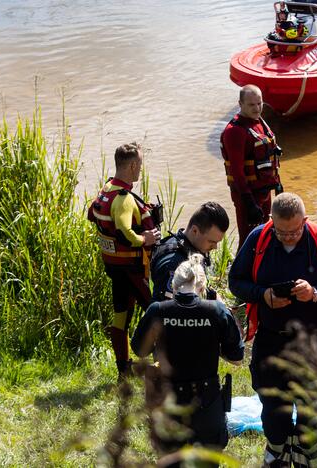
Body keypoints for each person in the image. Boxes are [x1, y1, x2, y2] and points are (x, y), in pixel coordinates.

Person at [228, 192, 317, 467]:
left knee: (310, 409)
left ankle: (306, 457)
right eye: (281, 232)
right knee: (273, 406)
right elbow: (235, 281)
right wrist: (263, 295)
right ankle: (277, 453)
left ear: (305, 221)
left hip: (311, 343)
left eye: (295, 232)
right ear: (271, 221)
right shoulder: (259, 240)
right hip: (270, 339)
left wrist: (315, 293)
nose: (288, 237)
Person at [131, 254, 244, 464]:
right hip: (207, 402)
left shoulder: (158, 310)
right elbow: (237, 358)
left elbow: (139, 350)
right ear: (202, 285)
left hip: (168, 402)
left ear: (174, 285)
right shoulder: (216, 311)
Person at [88, 142, 162, 379]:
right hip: (133, 270)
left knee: (121, 316)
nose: (140, 168)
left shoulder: (106, 189)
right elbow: (123, 233)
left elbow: (92, 214)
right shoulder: (124, 198)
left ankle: (123, 369)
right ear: (132, 165)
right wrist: (146, 238)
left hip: (114, 268)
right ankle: (164, 370)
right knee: (158, 313)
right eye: (139, 164)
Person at [221, 84, 284, 251]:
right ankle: (239, 273)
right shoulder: (235, 132)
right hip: (247, 195)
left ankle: (262, 271)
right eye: (251, 105)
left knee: (267, 234)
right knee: (249, 239)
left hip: (264, 191)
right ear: (240, 104)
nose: (257, 108)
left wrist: (277, 183)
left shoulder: (259, 122)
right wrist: (248, 201)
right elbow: (237, 171)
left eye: (259, 103)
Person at [151, 202, 229, 302]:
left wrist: (215, 298)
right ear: (195, 231)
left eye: (217, 242)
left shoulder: (195, 247)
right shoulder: (173, 265)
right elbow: (169, 310)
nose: (215, 247)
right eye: (211, 242)